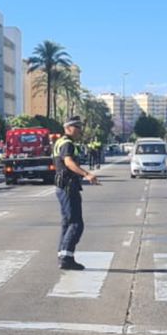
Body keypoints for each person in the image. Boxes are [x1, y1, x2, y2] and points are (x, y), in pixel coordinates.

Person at [53, 116, 99, 270]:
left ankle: (63, 254)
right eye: (76, 127)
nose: (79, 130)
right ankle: (66, 257)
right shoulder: (67, 143)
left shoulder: (60, 142)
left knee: (67, 222)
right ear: (68, 128)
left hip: (62, 185)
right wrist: (86, 174)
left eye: (80, 126)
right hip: (67, 185)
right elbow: (68, 162)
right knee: (76, 223)